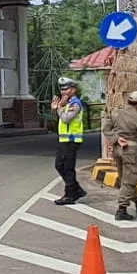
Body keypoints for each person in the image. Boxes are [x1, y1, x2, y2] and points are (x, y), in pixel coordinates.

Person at [102, 90, 137, 220]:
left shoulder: (116, 112)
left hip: (117, 149)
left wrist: (116, 138)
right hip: (131, 150)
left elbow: (106, 129)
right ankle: (122, 209)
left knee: (125, 177)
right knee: (130, 180)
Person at [50, 77, 88, 205]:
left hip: (72, 140)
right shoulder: (66, 103)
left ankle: (70, 194)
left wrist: (59, 108)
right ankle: (76, 189)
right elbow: (61, 120)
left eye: (66, 89)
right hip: (64, 140)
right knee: (59, 165)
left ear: (73, 90)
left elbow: (66, 119)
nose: (63, 92)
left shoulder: (75, 104)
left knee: (67, 168)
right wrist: (57, 108)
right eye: (62, 89)